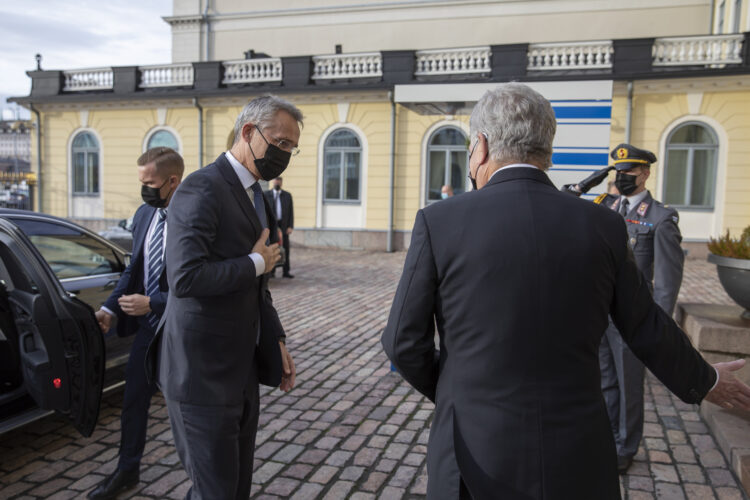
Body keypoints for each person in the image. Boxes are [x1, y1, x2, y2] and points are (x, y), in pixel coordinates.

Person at [381, 83, 750, 500]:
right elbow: (645, 325)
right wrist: (705, 380)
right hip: (578, 452)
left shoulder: (439, 221)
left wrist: (459, 392)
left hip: (475, 456)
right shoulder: (604, 225)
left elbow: (402, 342)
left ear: (479, 147)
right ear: (547, 151)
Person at [154, 95, 299, 499]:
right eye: (280, 142)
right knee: (214, 490)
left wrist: (277, 339)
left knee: (233, 489)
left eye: (292, 147)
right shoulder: (201, 188)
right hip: (200, 375)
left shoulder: (257, 194)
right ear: (248, 132)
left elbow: (260, 286)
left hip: (241, 372)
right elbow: (184, 277)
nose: (284, 153)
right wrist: (254, 261)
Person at [88, 147, 184, 499]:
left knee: (188, 408)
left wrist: (153, 302)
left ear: (173, 181)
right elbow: (134, 271)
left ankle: (207, 480)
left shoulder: (195, 215)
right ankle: (127, 470)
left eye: (150, 182)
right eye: (141, 180)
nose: (143, 187)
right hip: (147, 330)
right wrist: (110, 309)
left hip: (185, 331)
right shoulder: (144, 213)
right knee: (134, 400)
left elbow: (201, 284)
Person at [594, 143, 684, 473]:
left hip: (632, 319)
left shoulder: (660, 219)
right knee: (605, 380)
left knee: (630, 385)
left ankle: (626, 446)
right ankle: (606, 437)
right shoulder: (607, 206)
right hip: (602, 314)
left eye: (629, 172)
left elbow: (668, 281)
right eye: (619, 172)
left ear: (645, 173)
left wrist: (656, 326)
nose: (623, 177)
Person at [264, 176, 294, 278]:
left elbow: (291, 212)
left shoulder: (287, 196)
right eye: (276, 180)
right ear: (273, 182)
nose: (277, 182)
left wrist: (290, 226)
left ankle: (286, 271)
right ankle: (271, 271)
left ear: (281, 183)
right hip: (272, 226)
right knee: (273, 247)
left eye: (279, 181)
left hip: (284, 225)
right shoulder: (266, 195)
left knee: (285, 248)